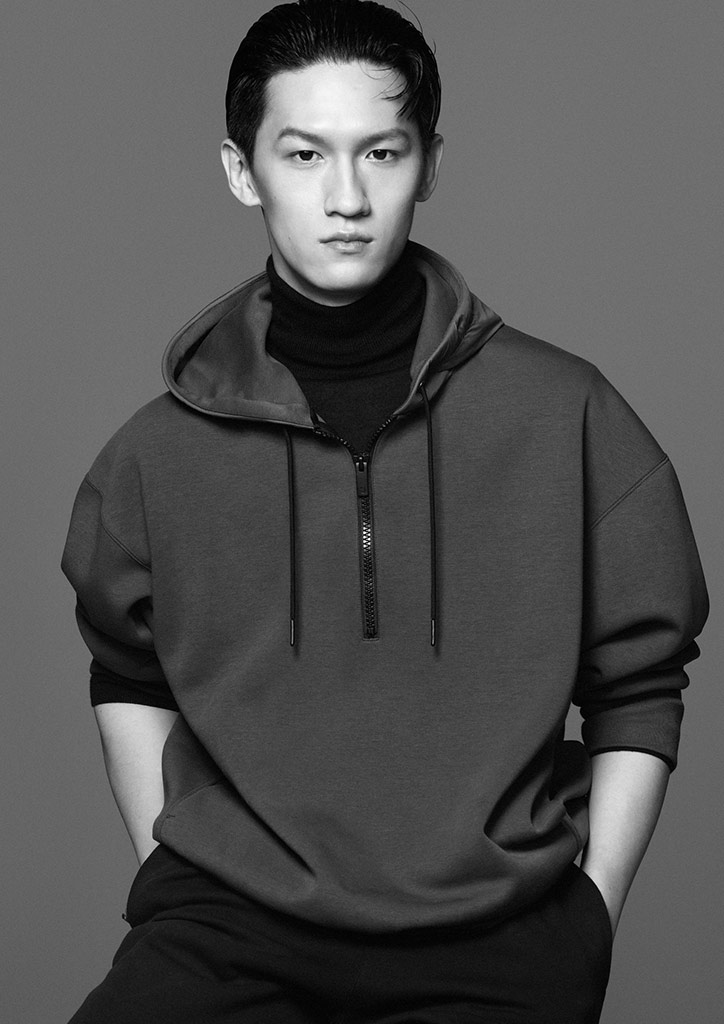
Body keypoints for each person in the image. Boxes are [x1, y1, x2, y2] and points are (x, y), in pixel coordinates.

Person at [61, 2, 708, 1021]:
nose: (347, 197)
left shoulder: (567, 413)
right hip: (229, 930)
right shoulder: (155, 451)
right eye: (305, 155)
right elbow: (126, 668)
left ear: (429, 164)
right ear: (242, 171)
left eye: (381, 152)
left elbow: (640, 680)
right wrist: (171, 869)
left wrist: (594, 909)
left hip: (499, 938)